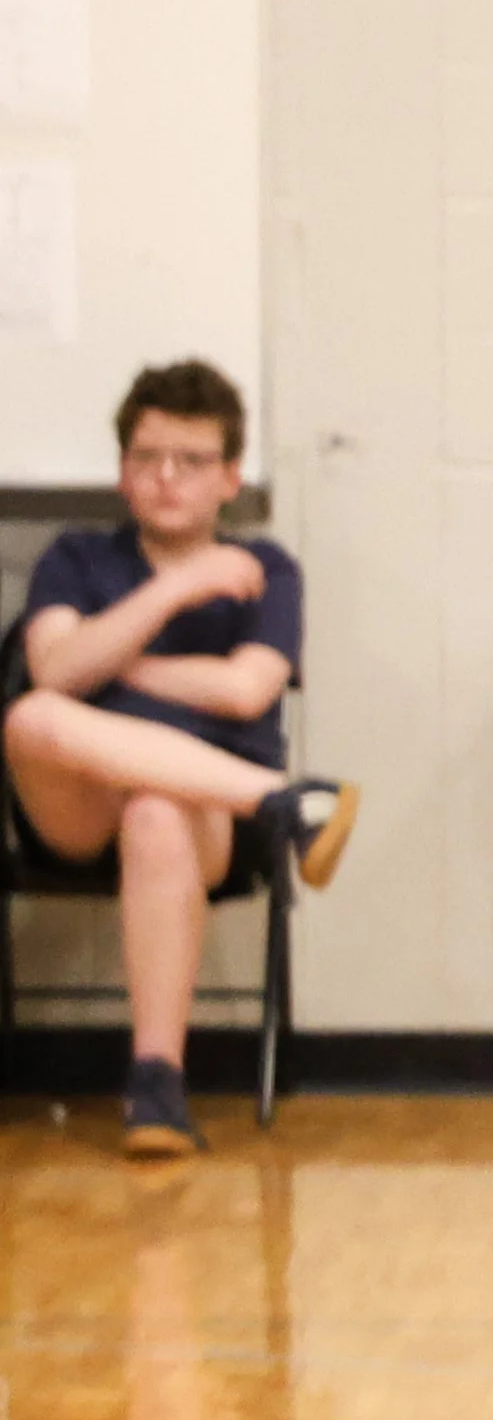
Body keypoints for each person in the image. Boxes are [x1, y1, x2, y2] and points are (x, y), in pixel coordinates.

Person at [5, 360, 359, 1155]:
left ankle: (157, 1087)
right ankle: (284, 797)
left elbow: (243, 689)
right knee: (31, 717)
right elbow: (52, 673)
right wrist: (175, 589)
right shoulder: (75, 557)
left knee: (156, 809)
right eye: (147, 457)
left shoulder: (267, 570)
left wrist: (112, 662)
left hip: (205, 823)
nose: (166, 477)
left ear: (230, 477)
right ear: (122, 471)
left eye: (191, 460)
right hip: (76, 804)